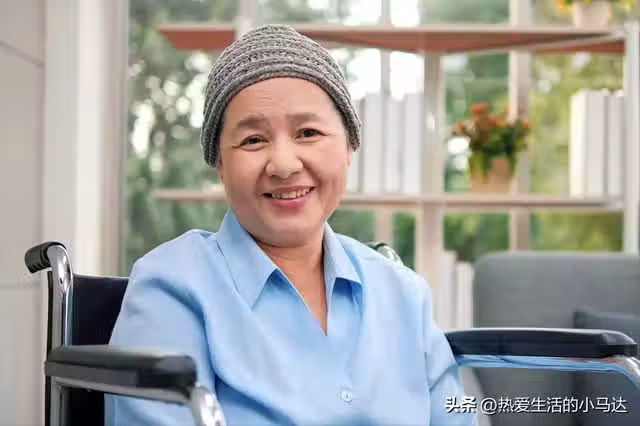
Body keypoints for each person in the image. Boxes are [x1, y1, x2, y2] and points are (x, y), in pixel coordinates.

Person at [105, 24, 477, 426]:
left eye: (308, 132)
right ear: (220, 165)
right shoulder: (173, 288)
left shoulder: (404, 295)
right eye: (253, 140)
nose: (283, 165)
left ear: (349, 147)